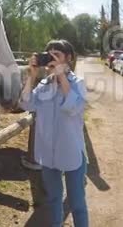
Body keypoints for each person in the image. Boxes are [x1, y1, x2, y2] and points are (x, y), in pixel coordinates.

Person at [19, 39, 88, 227]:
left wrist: (62, 77)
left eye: (57, 54)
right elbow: (26, 104)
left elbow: (73, 108)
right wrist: (32, 77)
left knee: (77, 204)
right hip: (48, 154)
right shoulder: (43, 85)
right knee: (54, 200)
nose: (52, 58)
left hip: (72, 152)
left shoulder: (78, 83)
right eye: (49, 54)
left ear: (69, 58)